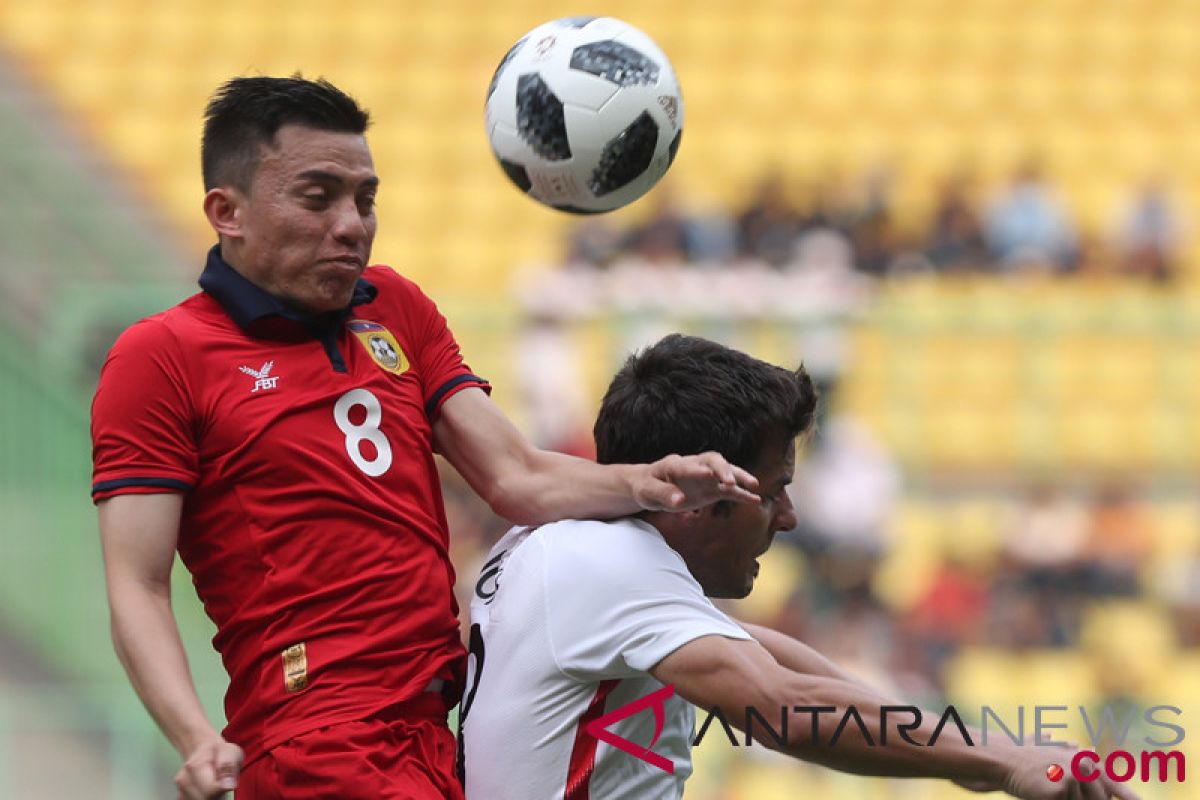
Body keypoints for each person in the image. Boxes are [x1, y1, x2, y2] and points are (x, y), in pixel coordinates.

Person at [89, 76, 760, 800]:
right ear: (229, 212)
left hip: (442, 727)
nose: (351, 224)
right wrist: (193, 735)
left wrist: (644, 481)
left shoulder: (396, 309)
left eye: (365, 199)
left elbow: (515, 477)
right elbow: (137, 580)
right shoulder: (162, 356)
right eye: (318, 198)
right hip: (321, 736)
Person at [459, 334, 1138, 800]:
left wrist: (993, 745)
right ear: (701, 493)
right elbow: (782, 708)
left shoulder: (570, 544)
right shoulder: (607, 561)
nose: (787, 518)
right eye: (774, 489)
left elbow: (778, 662)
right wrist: (994, 764)